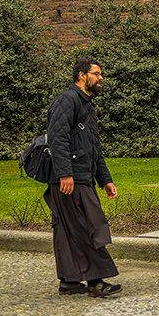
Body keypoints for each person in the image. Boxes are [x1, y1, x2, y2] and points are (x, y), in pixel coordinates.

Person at [44, 57, 121, 297]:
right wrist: (64, 173)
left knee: (69, 231)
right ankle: (96, 282)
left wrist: (105, 180)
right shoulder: (67, 101)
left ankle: (69, 281)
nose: (100, 78)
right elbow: (57, 139)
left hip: (80, 178)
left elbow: (93, 148)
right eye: (96, 74)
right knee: (87, 228)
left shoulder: (86, 105)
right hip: (69, 181)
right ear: (81, 76)